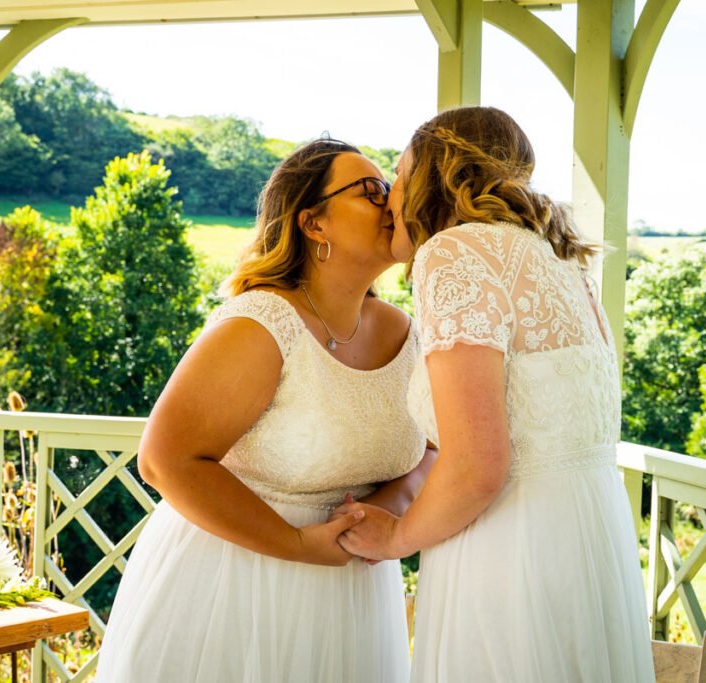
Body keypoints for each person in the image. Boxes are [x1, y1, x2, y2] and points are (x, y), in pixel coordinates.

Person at [336, 107, 656, 682]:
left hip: (511, 549)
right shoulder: (562, 262)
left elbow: (480, 464)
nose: (390, 199)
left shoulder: (454, 254)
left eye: (399, 177)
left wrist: (398, 537)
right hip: (589, 539)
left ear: (436, 175)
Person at [96, 138, 432, 682]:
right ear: (313, 223)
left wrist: (385, 514)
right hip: (234, 588)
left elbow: (431, 448)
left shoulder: (405, 332)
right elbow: (164, 459)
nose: (391, 202)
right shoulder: (261, 323)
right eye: (371, 190)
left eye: (390, 188)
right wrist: (298, 544)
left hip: (352, 594)